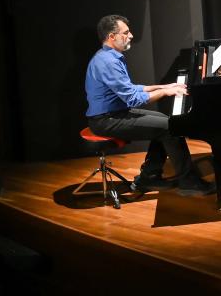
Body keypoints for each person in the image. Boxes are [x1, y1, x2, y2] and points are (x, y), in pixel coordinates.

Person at [85, 15, 213, 195]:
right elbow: (133, 99)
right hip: (105, 121)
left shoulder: (109, 57)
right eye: (125, 33)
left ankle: (149, 176)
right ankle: (188, 182)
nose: (130, 36)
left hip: (115, 114)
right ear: (111, 37)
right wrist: (165, 92)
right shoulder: (108, 62)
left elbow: (132, 88)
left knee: (164, 121)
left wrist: (164, 86)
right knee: (171, 127)